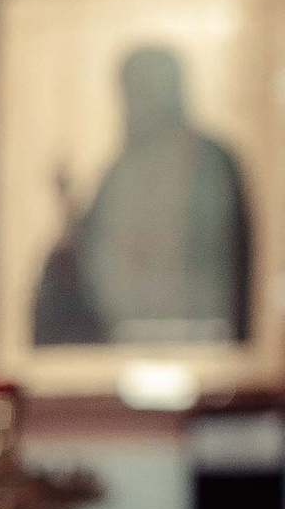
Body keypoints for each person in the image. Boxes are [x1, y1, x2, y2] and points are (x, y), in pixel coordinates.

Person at [30, 40, 255, 349]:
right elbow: (94, 252)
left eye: (149, 88)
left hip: (197, 334)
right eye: (133, 91)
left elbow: (221, 260)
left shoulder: (210, 160)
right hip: (121, 337)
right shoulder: (120, 171)